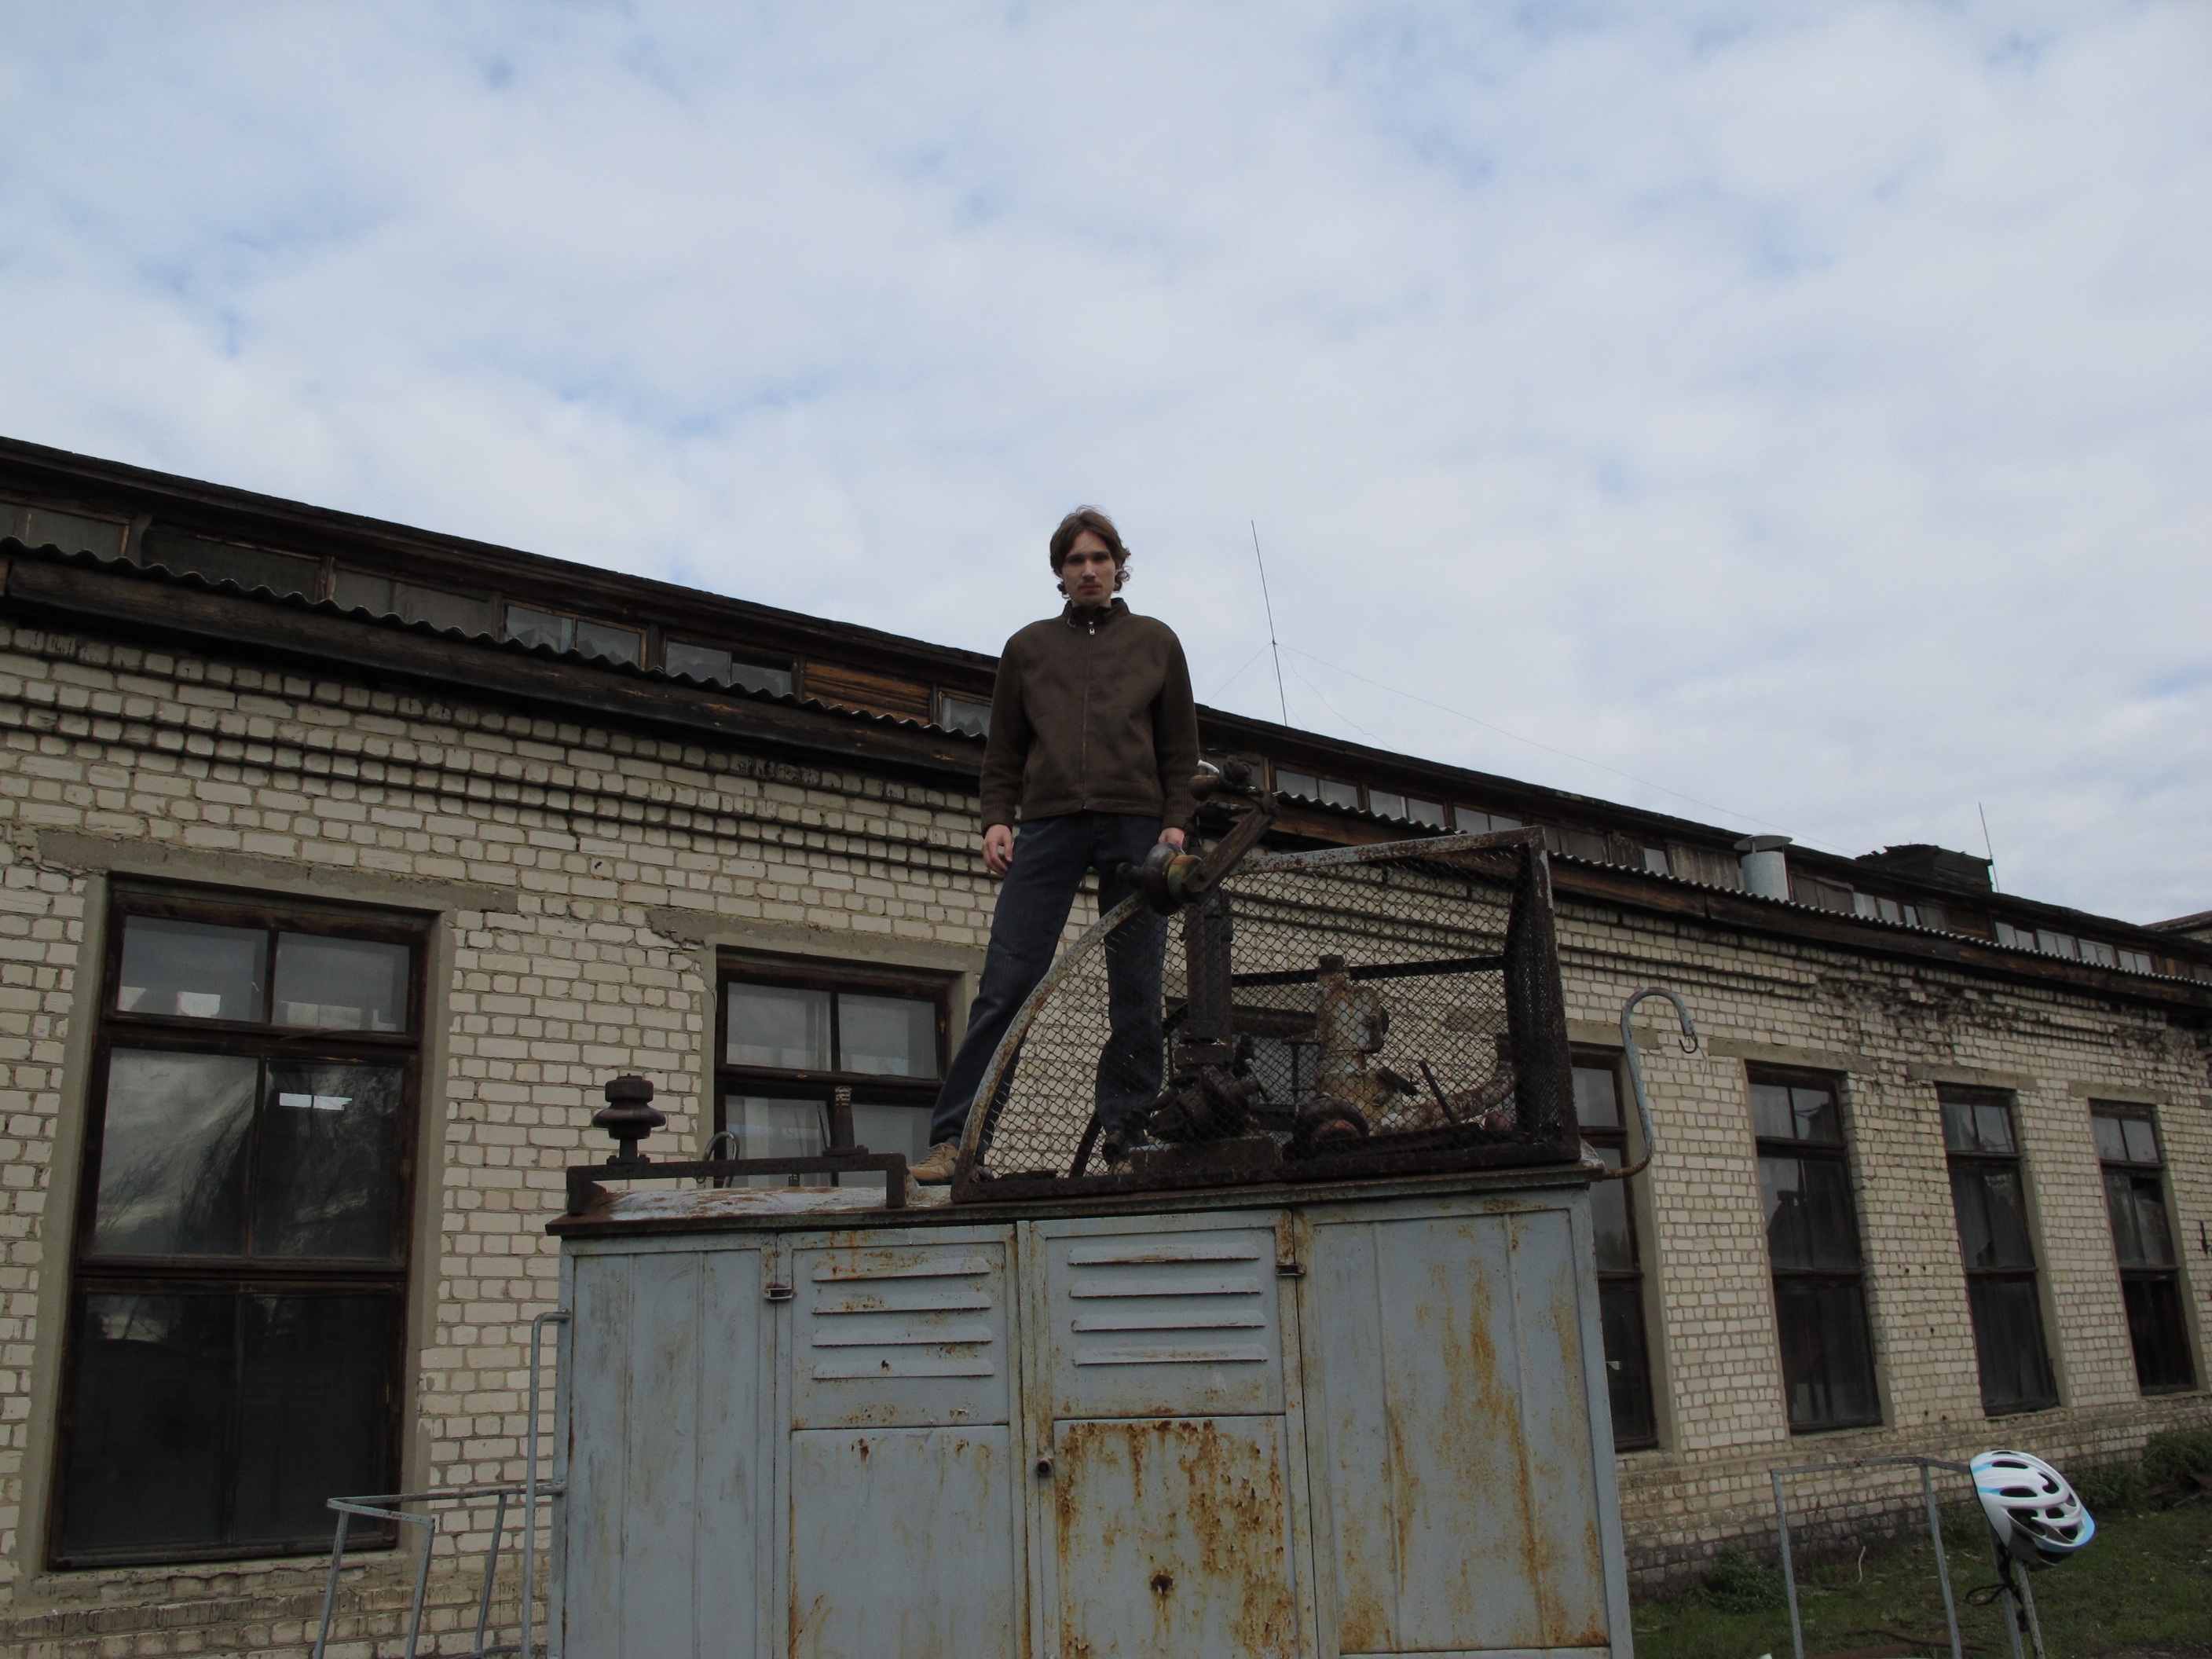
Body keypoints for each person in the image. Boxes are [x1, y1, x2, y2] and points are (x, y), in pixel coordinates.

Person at [909, 507, 1200, 1182]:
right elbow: (1004, 751)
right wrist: (996, 819)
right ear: (1059, 573)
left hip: (1137, 828)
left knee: (1136, 991)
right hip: (1048, 826)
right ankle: (957, 1143)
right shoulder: (1028, 648)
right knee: (1006, 985)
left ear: (1119, 566)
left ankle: (1130, 1140)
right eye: (1076, 560)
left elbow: (1180, 749)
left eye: (1100, 558)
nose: (1089, 570)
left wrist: (1176, 821)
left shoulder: (1156, 642)